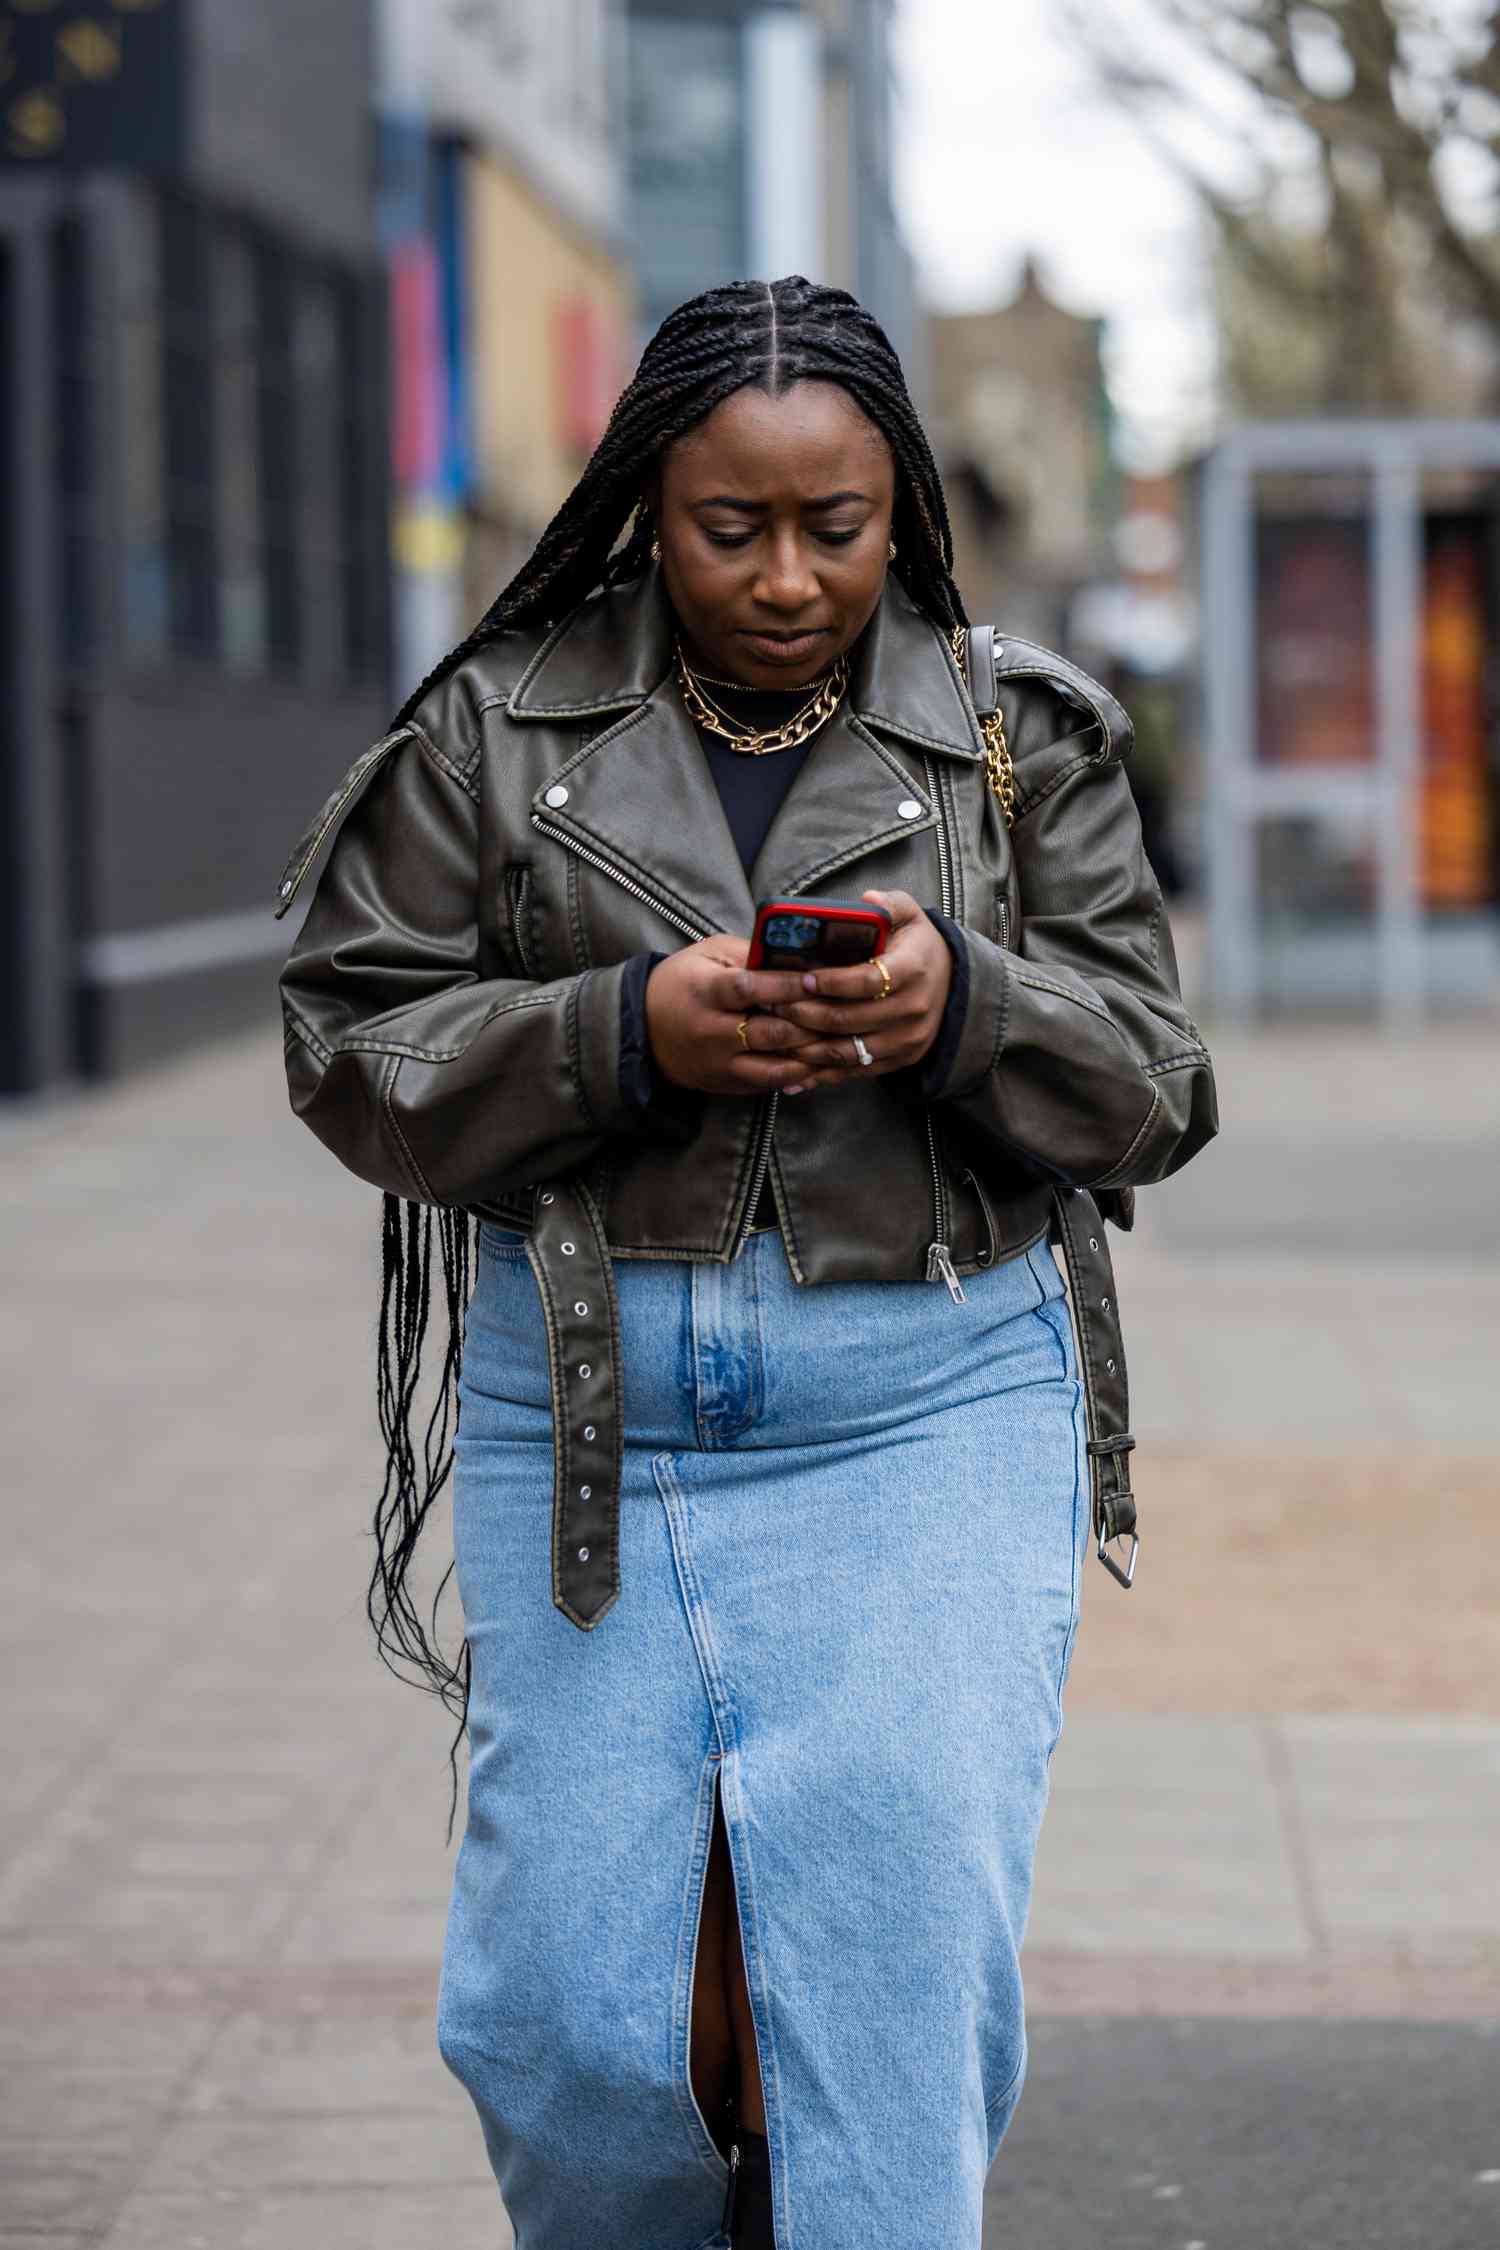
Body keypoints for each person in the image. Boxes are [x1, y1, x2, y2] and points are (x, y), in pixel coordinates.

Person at [273, 275, 1218, 2250]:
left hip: (931, 1410)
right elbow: (349, 1043)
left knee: (882, 2017)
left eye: (839, 526)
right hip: (592, 1421)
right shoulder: (498, 721)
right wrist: (625, 1036)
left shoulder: (1017, 737)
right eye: (731, 529)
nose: (789, 577)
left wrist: (965, 1009)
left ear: (908, 512)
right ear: (646, 501)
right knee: (562, 2030)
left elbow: (1155, 1084)